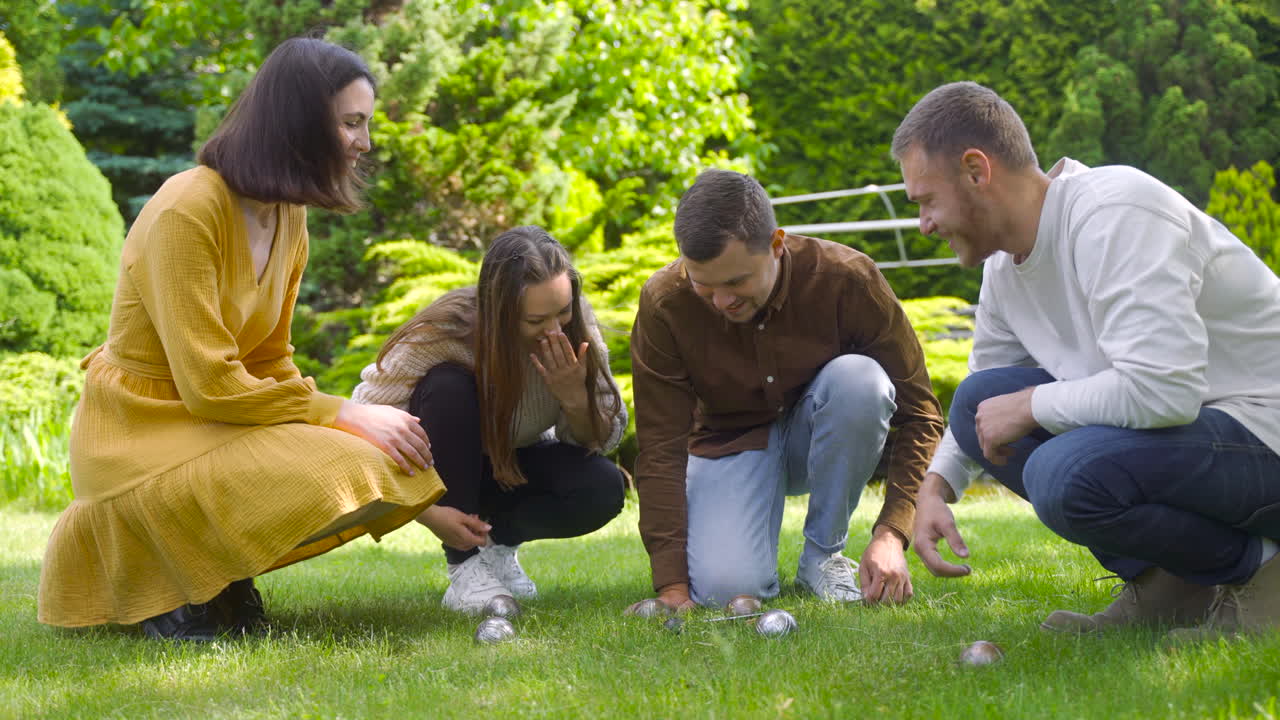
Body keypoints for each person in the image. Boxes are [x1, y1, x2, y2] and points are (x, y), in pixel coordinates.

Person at [37, 38, 444, 641]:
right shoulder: (188, 208)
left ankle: (218, 572)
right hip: (140, 431)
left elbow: (268, 357)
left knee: (379, 463)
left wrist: (343, 427)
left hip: (217, 418)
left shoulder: (287, 214)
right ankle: (174, 584)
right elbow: (209, 386)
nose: (365, 143)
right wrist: (342, 413)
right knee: (346, 460)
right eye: (351, 123)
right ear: (299, 123)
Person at [898, 81, 1280, 640]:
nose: (923, 224)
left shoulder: (1114, 212)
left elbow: (1163, 390)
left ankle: (1264, 573)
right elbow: (983, 396)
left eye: (926, 201)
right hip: (1200, 437)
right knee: (978, 407)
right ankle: (1171, 587)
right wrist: (935, 489)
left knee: (1064, 471)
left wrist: (1032, 404)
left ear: (977, 170)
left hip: (1263, 428)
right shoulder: (1005, 269)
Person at [627, 169, 945, 611]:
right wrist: (672, 585)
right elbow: (661, 446)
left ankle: (823, 556)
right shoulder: (665, 302)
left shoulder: (848, 279)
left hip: (820, 433)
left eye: (736, 281)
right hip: (729, 444)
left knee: (861, 380)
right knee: (725, 590)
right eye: (704, 284)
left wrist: (892, 532)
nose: (721, 301)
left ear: (776, 245)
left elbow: (922, 415)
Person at [353, 226, 627, 613]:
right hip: (447, 476)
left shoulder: (577, 326)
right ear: (499, 311)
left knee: (603, 486)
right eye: (535, 321)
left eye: (562, 311)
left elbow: (605, 436)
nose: (554, 331)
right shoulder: (444, 332)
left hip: (513, 466)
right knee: (447, 386)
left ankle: (497, 549)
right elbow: (363, 427)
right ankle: (464, 566)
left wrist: (574, 399)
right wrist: (428, 512)